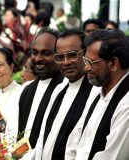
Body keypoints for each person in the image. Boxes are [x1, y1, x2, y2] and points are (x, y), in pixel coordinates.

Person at [34, 29, 100, 160]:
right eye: (60, 57)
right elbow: (43, 139)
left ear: (86, 53)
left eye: (72, 55)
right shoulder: (59, 90)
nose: (66, 62)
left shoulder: (96, 92)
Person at [66, 29, 129, 160]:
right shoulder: (97, 92)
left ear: (113, 63)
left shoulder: (126, 104)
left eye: (91, 62)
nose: (86, 68)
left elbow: (112, 156)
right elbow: (75, 141)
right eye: (85, 61)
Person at [18, 27, 64, 149]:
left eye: (45, 53)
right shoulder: (27, 90)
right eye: (34, 52)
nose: (38, 59)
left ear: (58, 55)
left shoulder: (65, 89)